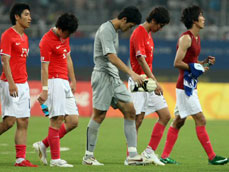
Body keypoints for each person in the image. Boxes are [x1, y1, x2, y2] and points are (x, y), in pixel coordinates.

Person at [160, 5, 228, 165]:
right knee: (200, 119)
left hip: (190, 85)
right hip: (185, 87)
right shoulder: (186, 38)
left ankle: (164, 156)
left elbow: (190, 62)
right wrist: (195, 67)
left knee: (179, 121)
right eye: (201, 15)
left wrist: (202, 63)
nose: (204, 18)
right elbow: (177, 62)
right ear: (194, 20)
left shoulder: (196, 38)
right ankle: (212, 157)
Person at [82, 6, 145, 166]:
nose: (128, 29)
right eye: (130, 26)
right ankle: (88, 157)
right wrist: (131, 73)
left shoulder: (114, 31)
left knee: (130, 111)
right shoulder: (106, 30)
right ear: (124, 19)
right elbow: (111, 57)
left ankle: (132, 155)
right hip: (103, 77)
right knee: (99, 115)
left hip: (113, 77)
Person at [32, 13, 79, 167]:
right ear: (60, 28)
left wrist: (73, 79)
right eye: (66, 33)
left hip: (64, 81)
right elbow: (44, 68)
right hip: (53, 81)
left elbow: (68, 58)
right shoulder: (46, 41)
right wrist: (45, 89)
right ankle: (55, 160)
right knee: (57, 119)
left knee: (72, 121)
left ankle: (43, 145)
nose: (67, 36)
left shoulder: (65, 36)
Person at [128, 7, 170, 166]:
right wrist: (154, 81)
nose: (160, 29)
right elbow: (140, 59)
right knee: (137, 119)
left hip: (148, 81)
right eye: (160, 25)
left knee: (165, 115)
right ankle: (130, 156)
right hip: (139, 81)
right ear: (153, 21)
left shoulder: (149, 35)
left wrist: (152, 81)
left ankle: (149, 152)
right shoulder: (139, 32)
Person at [0, 3, 37, 167]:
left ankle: (20, 159)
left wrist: (21, 83)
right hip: (10, 83)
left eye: (30, 15)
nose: (30, 18)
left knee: (24, 122)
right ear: (17, 16)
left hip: (23, 84)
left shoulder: (25, 37)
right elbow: (5, 61)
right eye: (27, 14)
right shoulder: (8, 35)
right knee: (9, 122)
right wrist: (12, 84)